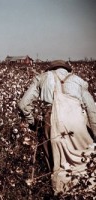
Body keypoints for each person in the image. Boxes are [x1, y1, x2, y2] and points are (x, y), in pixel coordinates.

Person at [18, 60, 96, 194]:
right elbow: (91, 110)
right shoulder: (78, 80)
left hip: (51, 121)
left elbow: (23, 105)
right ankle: (86, 192)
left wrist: (34, 123)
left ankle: (62, 194)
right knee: (84, 159)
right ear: (67, 70)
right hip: (77, 121)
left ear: (50, 69)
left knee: (57, 165)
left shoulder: (41, 78)